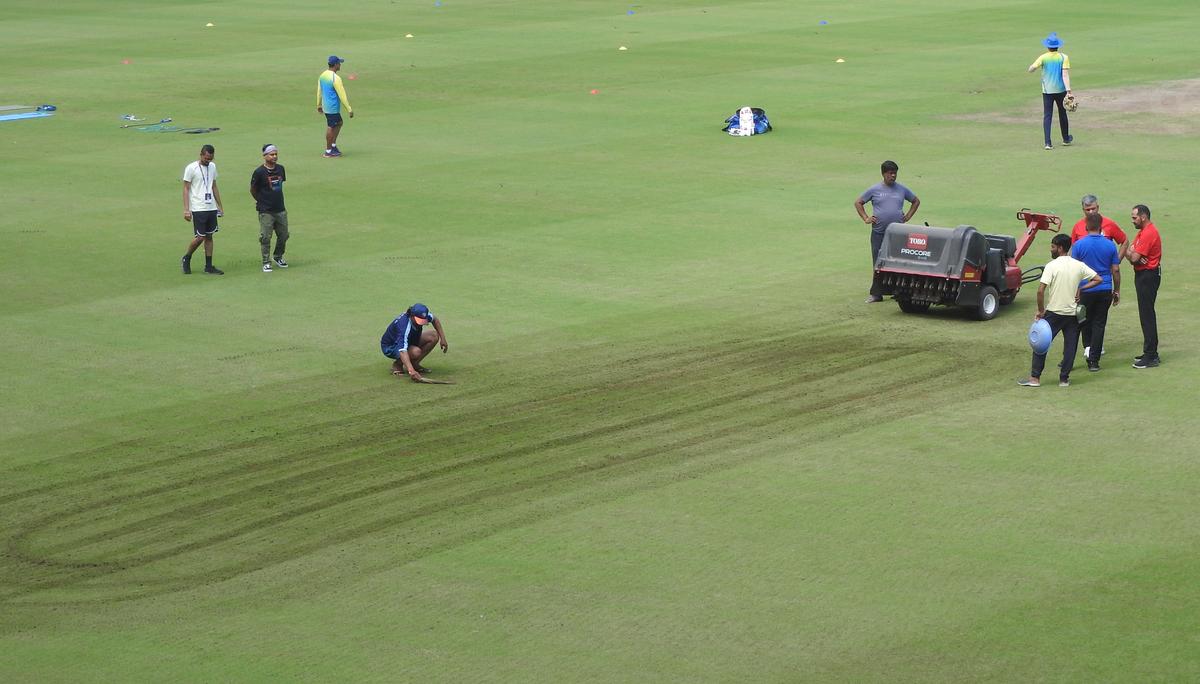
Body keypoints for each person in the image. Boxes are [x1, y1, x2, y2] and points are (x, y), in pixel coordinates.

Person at [1019, 233, 1101, 388]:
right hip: (1072, 315)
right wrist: (1081, 288)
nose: (1051, 249)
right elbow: (1098, 279)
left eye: (1053, 246)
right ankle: (1064, 379)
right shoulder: (1079, 265)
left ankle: (1035, 378)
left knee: (1040, 343)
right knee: (1070, 346)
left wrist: (1040, 310)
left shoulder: (1052, 265)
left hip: (1053, 313)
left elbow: (1040, 291)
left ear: (1060, 248)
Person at [854, 160, 920, 303]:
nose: (893, 176)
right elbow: (858, 202)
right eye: (890, 173)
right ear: (883, 174)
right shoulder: (875, 189)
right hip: (879, 232)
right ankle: (876, 294)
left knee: (898, 261)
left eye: (895, 173)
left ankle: (897, 290)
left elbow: (915, 201)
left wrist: (907, 216)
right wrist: (866, 217)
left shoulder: (902, 189)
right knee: (878, 262)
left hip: (897, 234)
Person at [1070, 213, 1120, 372]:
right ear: (1101, 227)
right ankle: (1094, 361)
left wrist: (1074, 290)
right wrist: (1117, 289)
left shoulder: (1079, 245)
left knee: (1081, 322)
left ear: (1086, 226)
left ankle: (1076, 355)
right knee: (1099, 324)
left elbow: (1073, 271)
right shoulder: (1110, 245)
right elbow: (1116, 270)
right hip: (1104, 289)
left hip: (1085, 289)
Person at [1127, 204, 1162, 369]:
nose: (1132, 221)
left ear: (1143, 216)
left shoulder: (1148, 233)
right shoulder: (1142, 232)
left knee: (1147, 315)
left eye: (1134, 217)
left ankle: (1151, 355)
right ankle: (1150, 352)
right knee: (1145, 314)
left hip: (1147, 276)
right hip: (1144, 275)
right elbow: (1131, 253)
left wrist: (1133, 254)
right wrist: (1132, 253)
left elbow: (1133, 257)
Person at [181, 144, 225, 275]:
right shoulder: (191, 168)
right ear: (201, 155)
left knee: (209, 236)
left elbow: (214, 186)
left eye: (210, 159)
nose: (208, 161)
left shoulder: (212, 167)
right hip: (198, 207)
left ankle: (209, 266)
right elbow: (186, 188)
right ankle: (187, 257)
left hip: (210, 206)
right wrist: (186, 209)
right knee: (200, 237)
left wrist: (220, 206)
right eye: (206, 158)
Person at [380, 304, 449, 382]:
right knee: (416, 352)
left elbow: (435, 320)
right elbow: (402, 350)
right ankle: (397, 365)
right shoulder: (404, 326)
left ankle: (414, 364)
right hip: (391, 346)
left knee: (433, 336)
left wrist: (443, 339)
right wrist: (411, 371)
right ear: (412, 315)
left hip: (411, 339)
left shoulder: (423, 314)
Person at [1027, 32, 1073, 150]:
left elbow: (1031, 69)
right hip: (1061, 90)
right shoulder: (1064, 57)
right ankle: (1066, 139)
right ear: (1058, 46)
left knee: (1047, 116)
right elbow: (1065, 75)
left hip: (1047, 91)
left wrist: (1031, 68)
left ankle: (1048, 143)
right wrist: (1069, 91)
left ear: (1048, 47)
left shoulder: (1043, 57)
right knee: (1063, 114)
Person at [250, 144, 289, 272]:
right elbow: (253, 190)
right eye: (272, 154)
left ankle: (278, 256)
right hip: (266, 211)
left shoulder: (281, 169)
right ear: (265, 156)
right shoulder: (259, 172)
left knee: (283, 235)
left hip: (280, 209)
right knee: (266, 237)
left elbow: (279, 186)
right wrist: (262, 201)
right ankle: (266, 261)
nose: (274, 156)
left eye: (276, 154)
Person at [1069, 194, 1127, 259]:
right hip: (1084, 267)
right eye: (1088, 210)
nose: (1091, 212)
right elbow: (1073, 247)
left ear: (1098, 207)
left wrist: (1117, 260)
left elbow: (1124, 241)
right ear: (1083, 210)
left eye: (1093, 209)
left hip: (1105, 267)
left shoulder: (1109, 224)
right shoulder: (1077, 226)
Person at [317, 55, 354, 158]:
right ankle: (328, 151)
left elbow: (319, 91)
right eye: (339, 63)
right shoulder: (335, 78)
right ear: (336, 65)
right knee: (331, 126)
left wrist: (318, 104)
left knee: (339, 123)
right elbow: (342, 95)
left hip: (326, 105)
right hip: (332, 107)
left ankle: (332, 146)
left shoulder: (322, 75)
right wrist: (349, 109)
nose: (340, 65)